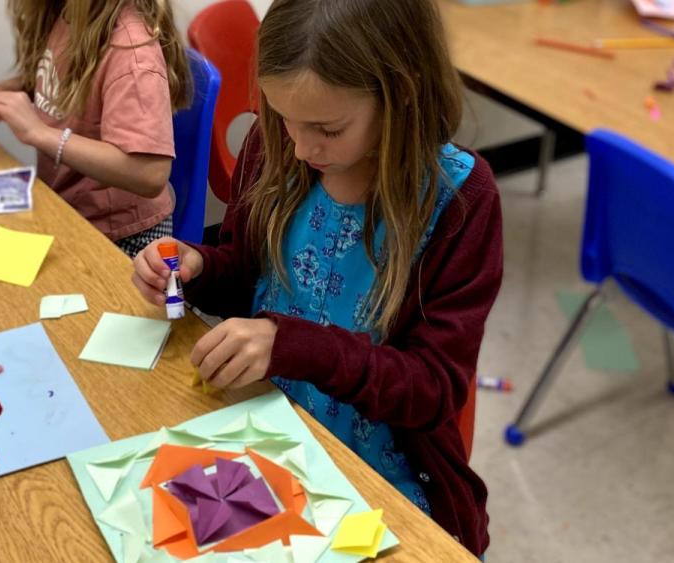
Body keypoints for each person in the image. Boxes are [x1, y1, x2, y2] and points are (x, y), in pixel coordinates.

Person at [130, 0, 503, 555]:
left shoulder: (458, 201)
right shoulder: (277, 146)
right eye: (283, 116)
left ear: (401, 93)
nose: (302, 147)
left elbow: (433, 387)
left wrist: (292, 345)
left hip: (378, 468)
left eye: (327, 128)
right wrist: (201, 266)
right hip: (262, 425)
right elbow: (249, 275)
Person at [0, 0, 190, 256]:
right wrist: (7, 91)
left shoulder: (132, 52)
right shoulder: (68, 12)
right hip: (69, 211)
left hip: (124, 237)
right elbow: (71, 81)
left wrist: (40, 133)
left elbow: (149, 173)